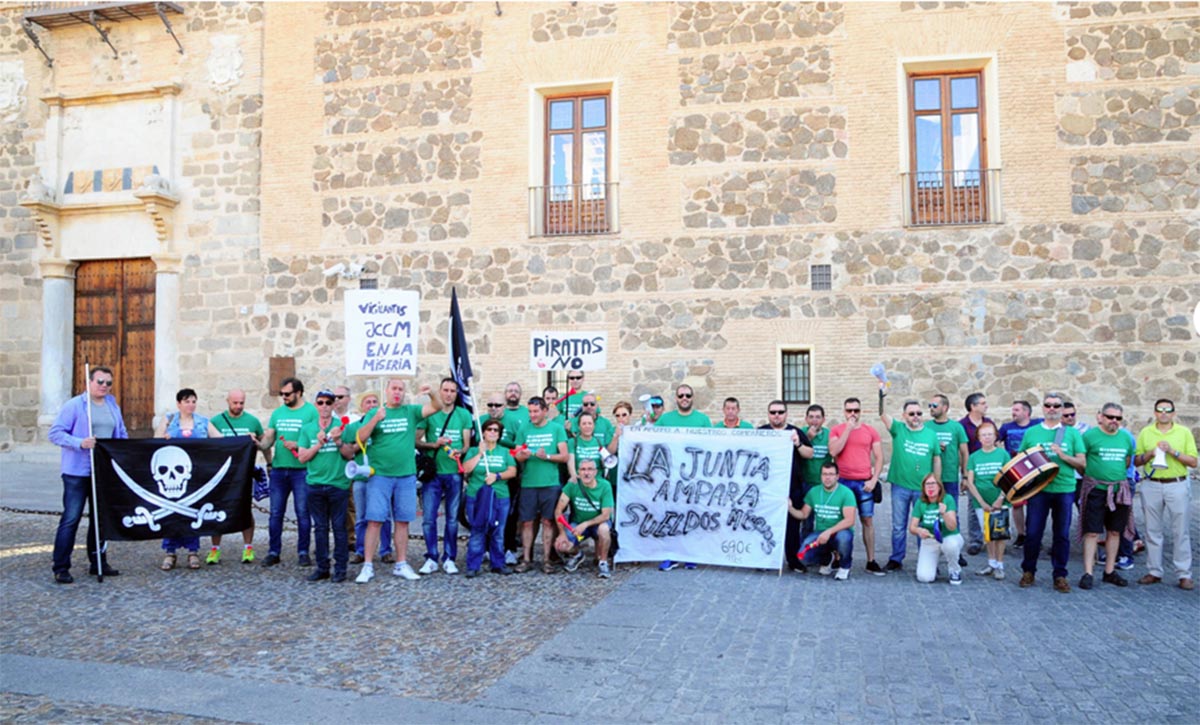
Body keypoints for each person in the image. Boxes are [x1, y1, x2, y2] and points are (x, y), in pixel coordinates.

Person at [352, 379, 438, 583]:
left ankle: (401, 563)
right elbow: (360, 437)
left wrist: (432, 393)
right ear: (387, 391)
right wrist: (374, 420)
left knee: (402, 521)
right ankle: (367, 566)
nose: (397, 393)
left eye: (401, 389)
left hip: (406, 475)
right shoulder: (376, 412)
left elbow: (437, 407)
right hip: (380, 475)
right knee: (374, 520)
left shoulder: (410, 411)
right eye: (394, 389)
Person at [48, 366, 128, 583]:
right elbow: (55, 433)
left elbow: (120, 433)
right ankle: (61, 565)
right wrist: (79, 443)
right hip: (77, 472)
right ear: (89, 382)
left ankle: (98, 561)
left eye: (108, 383)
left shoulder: (112, 405)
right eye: (100, 381)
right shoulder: (75, 405)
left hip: (101, 471)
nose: (104, 386)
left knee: (99, 519)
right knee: (71, 518)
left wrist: (122, 453)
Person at [1017, 392, 1085, 593]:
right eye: (1048, 405)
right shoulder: (1031, 433)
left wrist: (1063, 456)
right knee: (1033, 533)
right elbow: (1022, 460)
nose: (1052, 409)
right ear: (1043, 408)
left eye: (1056, 405)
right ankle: (1028, 571)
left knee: (1061, 534)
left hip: (1064, 488)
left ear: (1062, 409)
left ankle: (1060, 574)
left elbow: (1082, 463)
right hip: (1039, 490)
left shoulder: (1071, 433)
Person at [154, 388, 221, 571]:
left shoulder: (203, 422)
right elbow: (155, 440)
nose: (191, 404)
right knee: (170, 512)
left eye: (193, 401)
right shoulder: (169, 420)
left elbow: (221, 441)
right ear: (179, 404)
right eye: (187, 401)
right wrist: (164, 437)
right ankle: (170, 551)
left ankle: (193, 551)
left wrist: (242, 442)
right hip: (171, 477)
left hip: (194, 475)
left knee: (193, 511)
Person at [1134, 398, 1198, 590]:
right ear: (1154, 412)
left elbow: (1193, 462)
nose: (1163, 413)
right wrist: (1150, 454)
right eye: (1160, 410)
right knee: (1152, 530)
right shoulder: (1146, 432)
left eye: (1167, 410)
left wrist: (1173, 452)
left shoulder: (1183, 432)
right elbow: (1137, 460)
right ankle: (1154, 571)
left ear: (1173, 413)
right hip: (1152, 484)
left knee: (1181, 531)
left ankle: (1184, 574)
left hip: (1176, 484)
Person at [259, 377, 319, 568]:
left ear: (299, 393)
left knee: (303, 512)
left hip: (301, 470)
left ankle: (303, 552)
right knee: (275, 513)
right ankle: (273, 551)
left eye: (287, 394)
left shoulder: (311, 412)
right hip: (279, 469)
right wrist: (259, 444)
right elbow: (269, 437)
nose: (283, 397)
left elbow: (316, 437)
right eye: (281, 394)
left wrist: (299, 445)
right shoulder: (278, 413)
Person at [415, 378, 472, 575]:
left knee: (452, 519)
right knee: (429, 518)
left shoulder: (463, 414)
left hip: (454, 473)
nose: (449, 394)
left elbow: (466, 444)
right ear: (440, 392)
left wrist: (460, 451)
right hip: (433, 474)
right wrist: (434, 444)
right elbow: (417, 441)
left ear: (457, 394)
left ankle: (449, 557)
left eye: (453, 391)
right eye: (445, 390)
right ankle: (431, 557)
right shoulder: (431, 414)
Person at [296, 390, 352, 583]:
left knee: (339, 528)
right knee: (319, 528)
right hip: (315, 484)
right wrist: (319, 444)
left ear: (334, 404)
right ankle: (322, 567)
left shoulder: (342, 426)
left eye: (329, 402)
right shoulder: (308, 429)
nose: (325, 406)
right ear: (316, 405)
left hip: (338, 484)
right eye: (321, 403)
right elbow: (302, 457)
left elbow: (350, 454)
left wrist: (337, 441)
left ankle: (341, 568)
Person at [1077, 403, 1134, 590]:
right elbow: (1081, 461)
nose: (1114, 422)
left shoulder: (1125, 438)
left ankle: (1109, 571)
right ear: (1100, 416)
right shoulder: (1089, 436)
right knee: (1092, 531)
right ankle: (1088, 572)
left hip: (1119, 490)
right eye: (1110, 417)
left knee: (1115, 531)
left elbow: (1127, 462)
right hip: (1096, 489)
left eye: (1118, 418)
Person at [657, 384, 713, 571]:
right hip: (671, 477)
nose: (684, 398)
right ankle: (671, 555)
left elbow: (713, 446)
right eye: (681, 395)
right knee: (671, 515)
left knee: (692, 515)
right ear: (676, 398)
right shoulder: (665, 419)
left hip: (695, 477)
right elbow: (650, 438)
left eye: (688, 395)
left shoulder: (703, 420)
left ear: (692, 397)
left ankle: (690, 555)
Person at [208, 388, 266, 564]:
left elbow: (264, 444)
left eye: (242, 403)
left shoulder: (252, 421)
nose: (238, 406)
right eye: (235, 403)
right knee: (216, 509)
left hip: (243, 473)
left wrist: (266, 458)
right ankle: (215, 549)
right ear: (227, 401)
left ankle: (248, 547)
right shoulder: (216, 422)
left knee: (246, 510)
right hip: (222, 474)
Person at [882, 399, 941, 572]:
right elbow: (882, 415)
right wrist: (881, 394)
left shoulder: (931, 434)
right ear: (904, 416)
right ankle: (896, 558)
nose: (916, 417)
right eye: (912, 414)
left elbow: (936, 459)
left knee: (924, 525)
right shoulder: (898, 430)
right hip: (900, 486)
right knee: (899, 525)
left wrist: (937, 483)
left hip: (923, 489)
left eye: (919, 413)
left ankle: (926, 559)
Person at [828, 397, 885, 575]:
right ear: (844, 412)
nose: (853, 414)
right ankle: (838, 557)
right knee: (840, 521)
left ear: (861, 411)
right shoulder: (837, 430)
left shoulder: (870, 431)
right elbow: (834, 451)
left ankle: (870, 560)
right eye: (849, 410)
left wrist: (874, 479)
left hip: (864, 482)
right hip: (843, 482)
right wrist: (848, 429)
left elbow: (879, 457)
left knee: (867, 520)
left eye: (856, 410)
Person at [513, 396, 569, 574]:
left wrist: (548, 457)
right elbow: (516, 454)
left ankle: (546, 559)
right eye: (530, 411)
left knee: (548, 521)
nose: (533, 415)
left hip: (550, 483)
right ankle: (527, 558)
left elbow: (565, 456)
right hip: (529, 482)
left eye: (536, 411)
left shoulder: (557, 429)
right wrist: (524, 454)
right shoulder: (524, 428)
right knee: (527, 522)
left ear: (545, 411)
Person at [760, 400, 814, 573]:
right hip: (767, 488)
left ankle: (793, 560)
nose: (777, 415)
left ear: (786, 414)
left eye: (780, 412)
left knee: (792, 526)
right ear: (768, 414)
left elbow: (809, 454)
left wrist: (797, 443)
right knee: (765, 523)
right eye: (773, 412)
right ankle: (765, 559)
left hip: (792, 486)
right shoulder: (761, 433)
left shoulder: (795, 431)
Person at [460, 418, 518, 577]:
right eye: (489, 429)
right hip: (477, 496)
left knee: (498, 531)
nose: (492, 432)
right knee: (477, 529)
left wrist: (497, 476)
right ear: (483, 432)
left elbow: (512, 471)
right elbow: (465, 469)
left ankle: (498, 563)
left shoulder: (505, 452)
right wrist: (480, 453)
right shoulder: (473, 450)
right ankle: (473, 565)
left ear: (499, 434)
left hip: (500, 496)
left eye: (496, 430)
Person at [341, 392, 393, 565]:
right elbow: (347, 451)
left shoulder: (385, 426)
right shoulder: (353, 427)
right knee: (361, 516)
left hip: (382, 476)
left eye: (374, 402)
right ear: (361, 407)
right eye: (367, 402)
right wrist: (359, 443)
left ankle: (386, 550)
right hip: (361, 478)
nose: (371, 405)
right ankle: (360, 550)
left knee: (384, 516)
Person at [788, 461, 856, 580]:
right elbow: (803, 514)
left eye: (831, 474)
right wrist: (790, 508)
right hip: (820, 534)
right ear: (821, 476)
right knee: (802, 556)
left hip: (840, 531)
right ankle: (828, 559)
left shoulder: (846, 493)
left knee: (844, 539)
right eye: (824, 474)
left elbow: (850, 520)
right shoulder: (814, 492)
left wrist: (829, 532)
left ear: (837, 476)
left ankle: (844, 566)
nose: (827, 477)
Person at [964, 422, 1010, 579]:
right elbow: (970, 481)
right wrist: (981, 502)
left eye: (990, 434)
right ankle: (991, 563)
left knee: (1000, 533)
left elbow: (1009, 478)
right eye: (984, 435)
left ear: (996, 435)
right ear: (978, 437)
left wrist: (1001, 498)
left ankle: (1000, 564)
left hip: (999, 500)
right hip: (981, 502)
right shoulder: (974, 457)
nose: (987, 437)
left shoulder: (1003, 455)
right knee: (987, 534)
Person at [554, 458, 614, 579]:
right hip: (577, 524)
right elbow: (558, 511)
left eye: (590, 469)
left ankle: (603, 562)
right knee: (561, 545)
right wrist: (561, 533)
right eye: (583, 469)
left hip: (597, 523)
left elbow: (606, 515)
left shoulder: (604, 486)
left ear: (595, 472)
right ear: (578, 472)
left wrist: (586, 524)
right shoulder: (572, 485)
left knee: (604, 529)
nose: (586, 473)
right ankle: (577, 555)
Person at [928, 394, 968, 567]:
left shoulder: (956, 427)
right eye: (930, 404)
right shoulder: (926, 427)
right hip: (930, 479)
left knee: (952, 514)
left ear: (945, 408)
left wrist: (964, 475)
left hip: (950, 477)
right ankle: (932, 551)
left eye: (935, 405)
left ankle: (955, 552)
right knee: (930, 515)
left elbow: (964, 452)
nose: (931, 407)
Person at [998, 400, 1041, 548]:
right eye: (1013, 410)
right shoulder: (1006, 427)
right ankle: (1021, 534)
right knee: (1017, 504)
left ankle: (1033, 535)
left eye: (1016, 410)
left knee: (1035, 504)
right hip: (1015, 470)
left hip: (1035, 469)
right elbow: (996, 442)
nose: (1013, 413)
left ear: (1026, 412)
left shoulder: (1037, 425)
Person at [910, 475, 964, 585]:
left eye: (933, 484)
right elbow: (912, 527)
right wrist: (919, 531)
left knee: (951, 546)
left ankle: (954, 570)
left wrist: (944, 513)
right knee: (924, 577)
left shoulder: (947, 499)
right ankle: (932, 564)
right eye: (927, 484)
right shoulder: (920, 502)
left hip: (948, 536)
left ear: (939, 486)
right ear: (923, 488)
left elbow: (952, 526)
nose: (930, 487)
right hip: (930, 539)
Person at [958, 393, 992, 555]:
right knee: (974, 506)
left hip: (990, 469)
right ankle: (975, 540)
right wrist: (964, 475)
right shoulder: (963, 425)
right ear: (973, 406)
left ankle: (993, 537)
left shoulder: (989, 423)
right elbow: (961, 452)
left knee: (992, 503)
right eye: (983, 403)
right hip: (973, 471)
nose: (986, 406)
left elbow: (997, 443)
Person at [568, 411, 617, 482]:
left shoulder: (599, 441)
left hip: (598, 481)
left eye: (590, 423)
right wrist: (574, 476)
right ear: (579, 426)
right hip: (580, 481)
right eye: (584, 424)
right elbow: (570, 462)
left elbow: (604, 464)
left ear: (594, 425)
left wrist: (604, 461)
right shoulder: (572, 442)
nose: (587, 426)